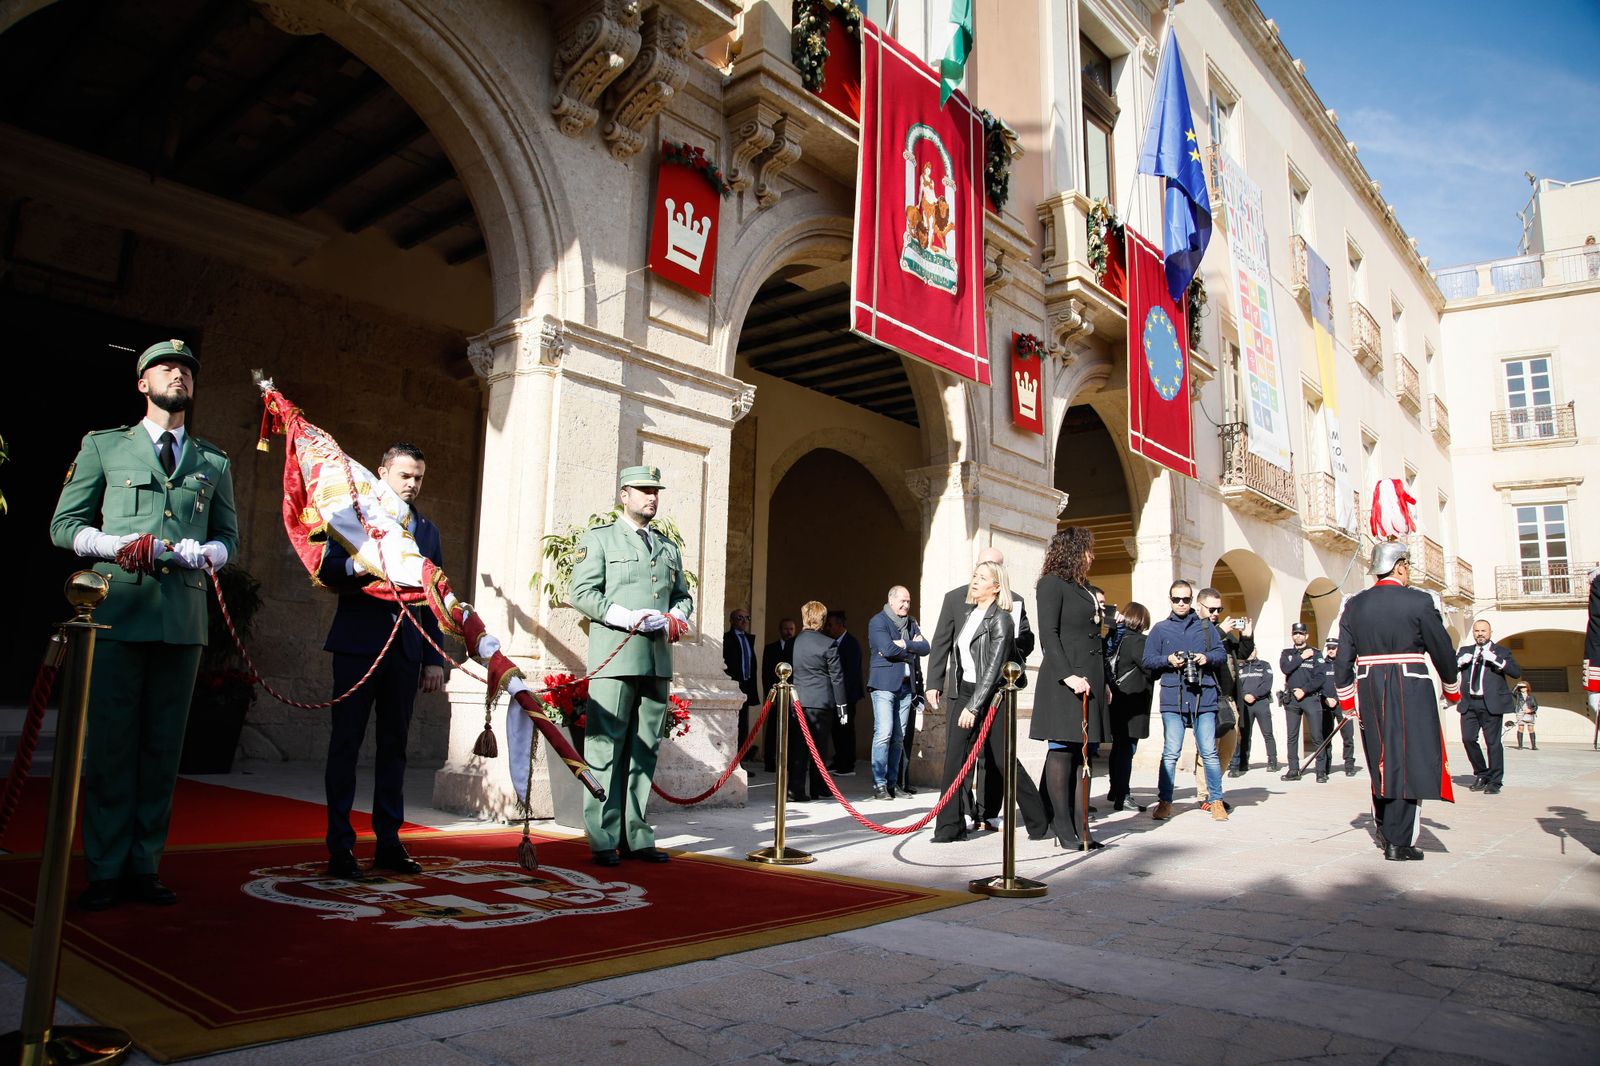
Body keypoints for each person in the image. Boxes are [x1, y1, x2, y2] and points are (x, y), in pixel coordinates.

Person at [50, 339, 239, 910]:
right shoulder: (106, 447)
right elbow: (65, 527)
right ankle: (104, 869)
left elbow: (229, 537)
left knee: (162, 752)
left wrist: (208, 554)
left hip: (182, 618)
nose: (177, 375)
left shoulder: (213, 461)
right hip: (118, 615)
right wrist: (117, 544)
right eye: (165, 368)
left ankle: (143, 867)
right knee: (111, 747)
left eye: (185, 369)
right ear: (142, 383)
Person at [320, 443, 445, 879]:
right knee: (346, 746)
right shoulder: (355, 517)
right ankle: (340, 847)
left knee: (394, 749)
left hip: (406, 651)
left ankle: (389, 843)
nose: (412, 485)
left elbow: (434, 598)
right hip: (359, 646)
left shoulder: (427, 530)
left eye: (418, 478)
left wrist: (433, 658)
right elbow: (328, 570)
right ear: (383, 472)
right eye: (404, 476)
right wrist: (364, 563)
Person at [568, 465, 693, 866]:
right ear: (624, 495)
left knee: (645, 750)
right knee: (605, 748)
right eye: (643, 490)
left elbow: (682, 594)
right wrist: (624, 615)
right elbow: (582, 592)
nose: (651, 497)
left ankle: (636, 834)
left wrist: (676, 613)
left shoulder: (668, 547)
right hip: (617, 656)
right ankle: (603, 838)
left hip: (656, 660)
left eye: (655, 490)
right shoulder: (601, 539)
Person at [1333, 541, 1460, 861]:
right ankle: (1399, 841)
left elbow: (1342, 658)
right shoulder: (1420, 601)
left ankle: (1385, 825)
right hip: (1410, 683)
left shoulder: (1354, 604)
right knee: (1409, 759)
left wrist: (1347, 701)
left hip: (1368, 685)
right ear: (1400, 566)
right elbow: (1442, 649)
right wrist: (1452, 687)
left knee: (1381, 757)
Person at [930, 562, 1046, 842]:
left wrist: (974, 706)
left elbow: (993, 669)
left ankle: (1039, 821)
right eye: (974, 575)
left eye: (982, 578)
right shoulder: (970, 613)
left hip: (992, 697)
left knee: (1004, 760)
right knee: (954, 761)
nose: (975, 581)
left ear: (996, 586)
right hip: (966, 691)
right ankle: (949, 828)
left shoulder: (1002, 620)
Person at [1033, 527, 1108, 847]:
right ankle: (1062, 828)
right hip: (1064, 682)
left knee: (1086, 755)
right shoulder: (1051, 585)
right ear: (1073, 552)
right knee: (1062, 752)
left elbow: (1095, 640)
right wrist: (1068, 676)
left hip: (1091, 681)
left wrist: (1103, 681)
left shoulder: (1087, 589)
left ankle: (1084, 828)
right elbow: (1048, 635)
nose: (1092, 556)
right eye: (1087, 550)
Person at [1143, 578, 1229, 822]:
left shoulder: (1205, 627)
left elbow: (1220, 655)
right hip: (1173, 696)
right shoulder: (1160, 629)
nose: (1181, 603)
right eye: (1176, 599)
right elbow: (1148, 660)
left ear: (1192, 600)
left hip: (1204, 695)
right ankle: (1165, 801)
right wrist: (1168, 660)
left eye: (1186, 599)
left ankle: (1216, 801)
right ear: (1170, 600)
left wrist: (1205, 658)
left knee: (1209, 752)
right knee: (1171, 752)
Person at [867, 585, 929, 800]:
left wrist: (903, 643)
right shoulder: (878, 622)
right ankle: (880, 784)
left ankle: (894, 784)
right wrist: (912, 648)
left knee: (899, 737)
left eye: (908, 601)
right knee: (884, 733)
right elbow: (886, 648)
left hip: (905, 686)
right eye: (902, 601)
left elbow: (926, 647)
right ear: (891, 601)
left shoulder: (911, 623)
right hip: (884, 685)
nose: (906, 605)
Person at [1455, 619, 1521, 795]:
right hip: (1469, 703)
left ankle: (1495, 781)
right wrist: (1459, 663)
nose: (1480, 634)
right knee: (1468, 739)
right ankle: (1482, 773)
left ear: (1490, 632)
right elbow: (1450, 670)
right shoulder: (1465, 651)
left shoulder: (1501, 652)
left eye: (1483, 631)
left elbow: (1515, 672)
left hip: (1490, 703)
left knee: (1493, 744)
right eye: (1477, 631)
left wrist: (1497, 660)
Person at [789, 600, 846, 802]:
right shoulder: (828, 643)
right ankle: (819, 787)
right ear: (821, 620)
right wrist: (842, 706)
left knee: (798, 747)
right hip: (821, 702)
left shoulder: (795, 641)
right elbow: (837, 677)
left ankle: (795, 789)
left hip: (798, 700)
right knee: (819, 749)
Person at [1105, 601, 1152, 812]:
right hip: (1132, 704)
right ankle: (1122, 794)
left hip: (1116, 700)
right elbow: (1150, 669)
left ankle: (1115, 789)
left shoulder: (1117, 639)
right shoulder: (1139, 642)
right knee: (1127, 750)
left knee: (1118, 748)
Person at [1279, 622, 1328, 782]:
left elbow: (1320, 677)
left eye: (1301, 633)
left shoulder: (1316, 654)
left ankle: (1321, 771)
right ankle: (1293, 769)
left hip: (1310, 698)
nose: (1298, 636)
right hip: (1292, 699)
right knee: (1292, 736)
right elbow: (1286, 669)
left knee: (1316, 736)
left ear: (1306, 635)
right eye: (1295, 633)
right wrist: (1301, 657)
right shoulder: (1287, 653)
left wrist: (1304, 690)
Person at [1215, 609, 1256, 777]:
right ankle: (1206, 794)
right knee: (1208, 751)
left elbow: (1242, 653)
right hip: (1210, 699)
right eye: (1211, 609)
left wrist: (1246, 636)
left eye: (1219, 610)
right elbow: (1200, 647)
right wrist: (1219, 631)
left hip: (1229, 700)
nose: (1215, 613)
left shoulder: (1226, 633)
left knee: (1228, 748)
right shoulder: (1200, 629)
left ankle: (1214, 790)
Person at [824, 609, 864, 775]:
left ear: (839, 625)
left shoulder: (851, 643)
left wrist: (841, 695)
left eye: (831, 625)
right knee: (837, 729)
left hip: (847, 695)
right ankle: (839, 759)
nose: (828, 628)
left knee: (846, 729)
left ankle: (847, 764)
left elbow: (850, 673)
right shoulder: (834, 642)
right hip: (836, 695)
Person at [760, 617, 798, 771]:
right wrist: (770, 696)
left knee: (792, 729)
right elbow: (765, 674)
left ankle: (789, 762)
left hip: (792, 696)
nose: (788, 632)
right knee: (772, 730)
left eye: (791, 629)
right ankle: (770, 761)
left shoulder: (797, 648)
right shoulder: (770, 648)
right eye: (785, 629)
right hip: (775, 695)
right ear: (780, 630)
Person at [1318, 637, 1359, 777]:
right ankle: (1326, 766)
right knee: (1326, 737)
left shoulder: (1345, 665)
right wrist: (1326, 698)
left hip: (1343, 705)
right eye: (1328, 648)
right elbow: (1317, 684)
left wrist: (1336, 699)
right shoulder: (1321, 665)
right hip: (1326, 705)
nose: (1330, 650)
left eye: (1333, 648)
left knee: (1348, 737)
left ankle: (1349, 765)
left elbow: (1351, 683)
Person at [721, 608, 759, 758]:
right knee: (730, 726)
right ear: (731, 621)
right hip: (731, 685)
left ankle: (740, 762)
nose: (744, 621)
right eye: (739, 618)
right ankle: (729, 760)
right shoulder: (726, 638)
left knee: (743, 727)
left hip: (746, 686)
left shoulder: (749, 639)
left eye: (746, 618)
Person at [1235, 646, 1277, 772]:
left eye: (1252, 650)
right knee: (1245, 735)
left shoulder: (1264, 665)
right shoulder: (1240, 666)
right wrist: (1244, 696)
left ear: (1256, 651)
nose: (1251, 653)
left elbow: (1267, 683)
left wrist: (1254, 695)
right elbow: (1236, 685)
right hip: (1245, 705)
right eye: (1248, 650)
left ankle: (1272, 761)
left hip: (1261, 703)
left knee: (1267, 733)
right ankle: (1243, 762)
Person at [1511, 682, 1538, 750]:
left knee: (1531, 728)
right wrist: (1517, 685)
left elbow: (1536, 706)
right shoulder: (1518, 695)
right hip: (1520, 712)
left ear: (1527, 688)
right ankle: (1520, 746)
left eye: (1524, 687)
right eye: (1521, 687)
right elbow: (1512, 692)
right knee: (1521, 728)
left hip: (1529, 713)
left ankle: (1533, 746)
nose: (1522, 688)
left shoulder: (1531, 697)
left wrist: (1530, 710)